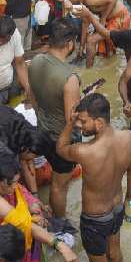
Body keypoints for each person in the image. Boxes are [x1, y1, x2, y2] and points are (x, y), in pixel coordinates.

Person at [56, 93, 131, 262]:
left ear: (99, 123)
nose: (79, 125)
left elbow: (60, 148)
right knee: (115, 254)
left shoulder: (84, 151)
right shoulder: (130, 138)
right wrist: (130, 201)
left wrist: (69, 123)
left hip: (95, 219)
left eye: (83, 121)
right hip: (117, 208)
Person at [27, 18, 81, 218]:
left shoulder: (35, 61)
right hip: (62, 140)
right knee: (59, 187)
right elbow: (71, 119)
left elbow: (32, 97)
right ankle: (59, 224)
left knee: (56, 180)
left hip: (42, 131)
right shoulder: (70, 78)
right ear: (69, 44)